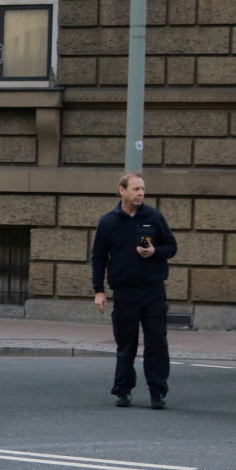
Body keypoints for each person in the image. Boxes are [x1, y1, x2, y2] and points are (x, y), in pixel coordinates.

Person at [91, 173, 178, 409]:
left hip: (153, 291)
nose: (140, 193)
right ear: (122, 190)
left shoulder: (154, 217)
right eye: (136, 189)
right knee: (126, 344)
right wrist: (99, 291)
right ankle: (123, 390)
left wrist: (155, 252)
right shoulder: (108, 222)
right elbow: (98, 258)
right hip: (125, 292)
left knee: (157, 342)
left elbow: (171, 247)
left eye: (142, 189)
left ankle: (157, 392)